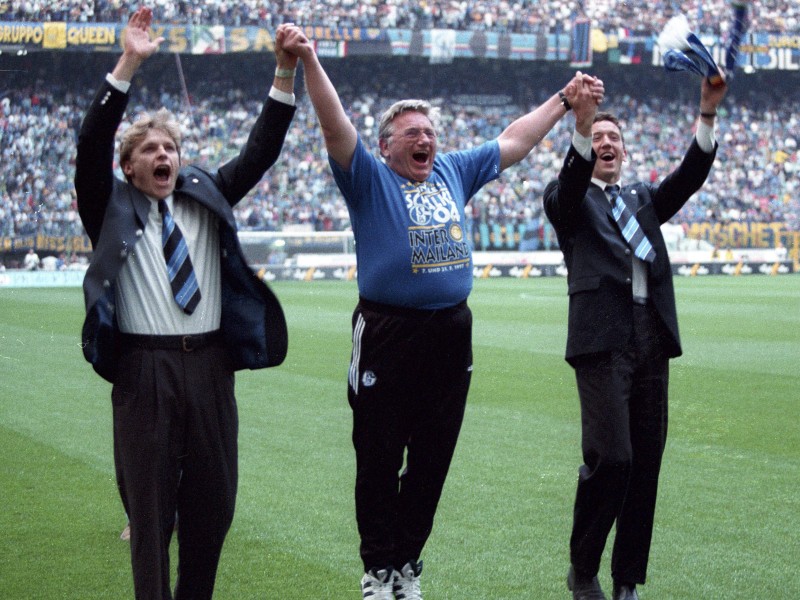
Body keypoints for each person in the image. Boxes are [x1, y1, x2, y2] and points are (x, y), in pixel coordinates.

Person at [281, 28, 604, 599]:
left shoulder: (453, 170)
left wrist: (562, 101)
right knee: (378, 458)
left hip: (451, 332)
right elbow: (335, 125)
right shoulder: (368, 177)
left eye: (430, 131)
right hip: (386, 332)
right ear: (387, 147)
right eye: (413, 133)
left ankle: (406, 565)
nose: (426, 139)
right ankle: (378, 571)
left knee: (432, 461)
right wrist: (308, 58)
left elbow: (513, 142)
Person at [74, 7, 296, 598]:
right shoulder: (109, 205)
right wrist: (128, 62)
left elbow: (261, 152)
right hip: (144, 369)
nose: (163, 155)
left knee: (215, 503)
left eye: (170, 146)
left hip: (211, 366)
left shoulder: (206, 196)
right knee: (150, 513)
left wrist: (283, 73)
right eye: (149, 149)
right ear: (130, 167)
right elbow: (91, 142)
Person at [543, 73, 728, 600]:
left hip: (652, 339)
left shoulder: (643, 199)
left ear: (624, 152)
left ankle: (627, 581)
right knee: (613, 458)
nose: (606, 144)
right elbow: (570, 186)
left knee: (645, 466)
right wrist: (581, 123)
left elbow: (689, 177)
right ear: (585, 148)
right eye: (597, 138)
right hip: (602, 342)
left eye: (613, 139)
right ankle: (583, 568)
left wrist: (707, 114)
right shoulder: (567, 199)